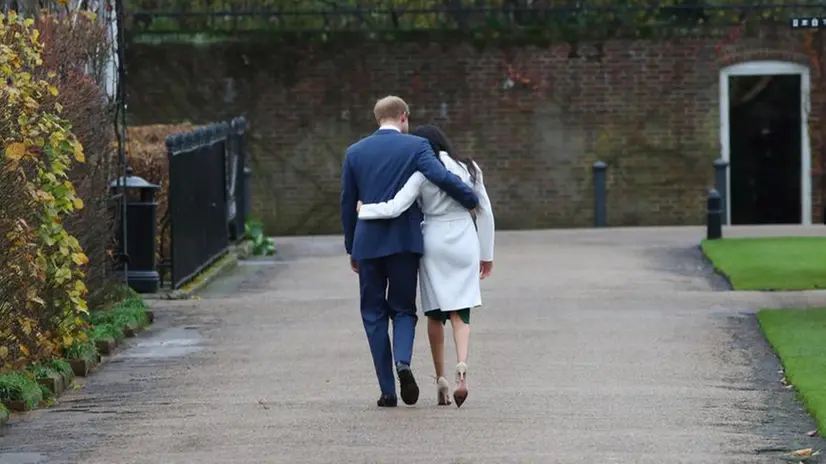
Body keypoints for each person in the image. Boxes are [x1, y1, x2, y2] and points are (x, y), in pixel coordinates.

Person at [340, 97, 479, 408]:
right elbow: (440, 177)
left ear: (377, 118)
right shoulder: (415, 146)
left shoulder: (354, 152)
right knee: (403, 309)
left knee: (373, 314)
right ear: (403, 117)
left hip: (368, 244)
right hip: (404, 241)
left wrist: (352, 247)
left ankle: (387, 391)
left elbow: (348, 203)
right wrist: (469, 197)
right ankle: (403, 361)